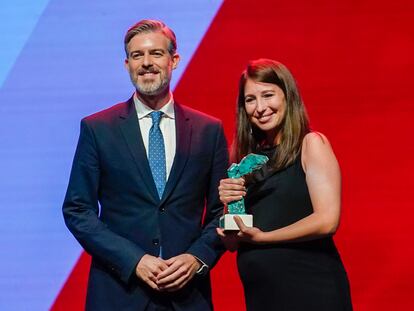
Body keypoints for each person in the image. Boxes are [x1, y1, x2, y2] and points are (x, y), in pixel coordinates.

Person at [63, 19, 228, 311]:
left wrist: (196, 258)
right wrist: (134, 260)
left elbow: (221, 212)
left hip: (187, 296)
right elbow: (78, 210)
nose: (147, 63)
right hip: (119, 292)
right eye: (137, 55)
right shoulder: (98, 128)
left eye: (156, 53)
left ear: (174, 60)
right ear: (127, 64)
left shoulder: (208, 130)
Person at [217, 59, 352, 310]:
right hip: (263, 296)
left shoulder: (311, 144)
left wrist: (264, 238)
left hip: (311, 290)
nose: (260, 107)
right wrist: (228, 216)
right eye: (250, 100)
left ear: (288, 97)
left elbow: (327, 221)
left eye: (268, 95)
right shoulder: (245, 160)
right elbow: (233, 244)